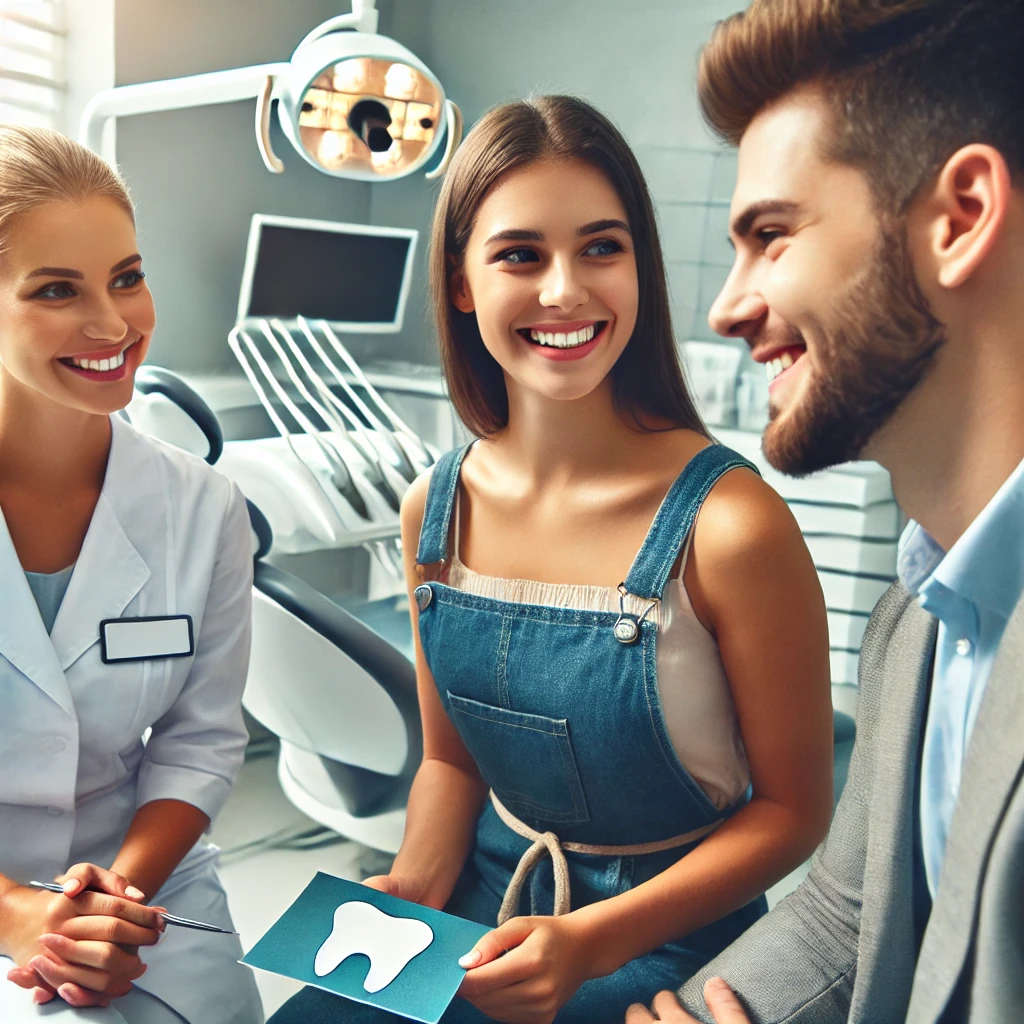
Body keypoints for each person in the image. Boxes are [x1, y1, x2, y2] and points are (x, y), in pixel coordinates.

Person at [269, 95, 833, 1024]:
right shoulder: (433, 510)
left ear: (640, 268)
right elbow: (450, 767)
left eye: (602, 248)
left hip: (669, 932)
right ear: (461, 282)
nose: (565, 290)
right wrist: (414, 881)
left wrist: (590, 942)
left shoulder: (733, 526)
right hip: (484, 893)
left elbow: (792, 813)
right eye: (520, 254)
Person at [624, 2, 1024, 1023]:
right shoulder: (919, 616)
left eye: (770, 235)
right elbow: (848, 916)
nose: (725, 304)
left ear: (961, 214)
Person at [0, 126, 263, 1023]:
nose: (114, 325)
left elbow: (200, 742)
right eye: (56, 290)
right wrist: (18, 914)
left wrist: (107, 900)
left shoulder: (204, 508)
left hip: (141, 879)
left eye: (126, 276)